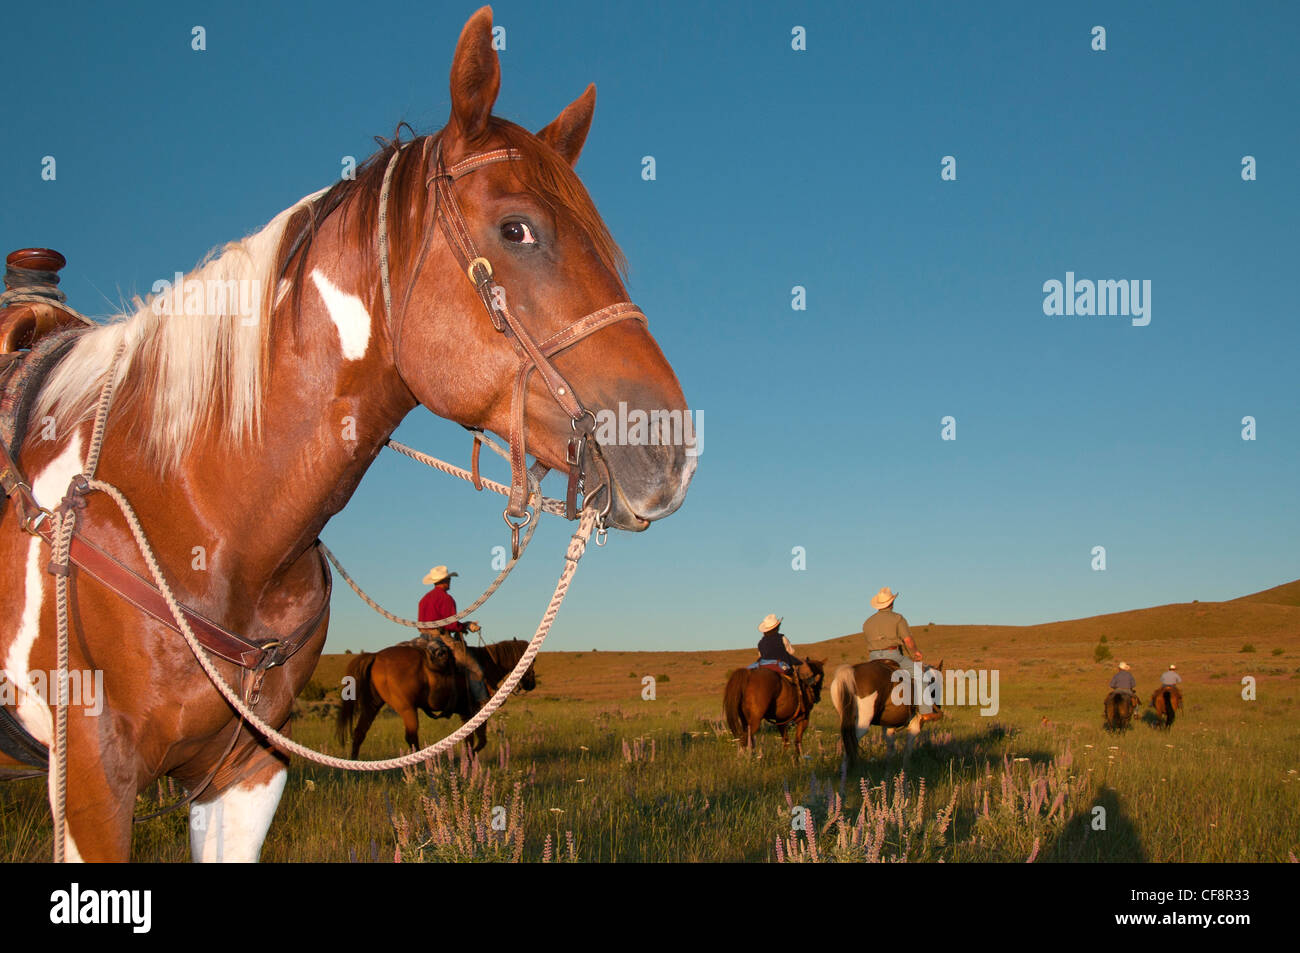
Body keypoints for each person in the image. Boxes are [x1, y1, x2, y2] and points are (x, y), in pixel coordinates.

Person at [418, 565, 490, 709]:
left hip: (423, 637)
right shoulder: (446, 598)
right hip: (440, 638)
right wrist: (466, 626)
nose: (450, 581)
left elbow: (421, 623)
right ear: (444, 581)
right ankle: (483, 701)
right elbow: (451, 625)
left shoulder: (424, 599)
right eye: (449, 579)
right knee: (474, 668)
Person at [861, 587, 932, 713]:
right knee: (920, 675)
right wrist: (916, 652)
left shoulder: (867, 622)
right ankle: (926, 712)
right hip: (892, 655)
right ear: (891, 603)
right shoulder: (898, 618)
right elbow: (908, 641)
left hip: (873, 658)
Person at [755, 614, 814, 694]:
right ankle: (810, 688)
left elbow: (760, 655)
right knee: (803, 665)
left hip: (763, 665)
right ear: (777, 627)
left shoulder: (760, 643)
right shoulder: (782, 638)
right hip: (780, 664)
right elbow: (791, 652)